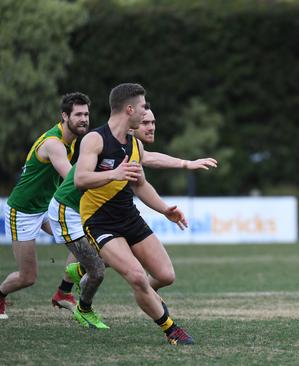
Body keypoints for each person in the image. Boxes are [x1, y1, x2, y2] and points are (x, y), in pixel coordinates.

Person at [49, 105, 217, 329]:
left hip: (102, 212)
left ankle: (86, 272)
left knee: (137, 267)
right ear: (131, 120)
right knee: (98, 269)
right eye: (146, 122)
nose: (151, 127)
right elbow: (86, 179)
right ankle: (78, 297)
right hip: (69, 208)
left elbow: (147, 163)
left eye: (153, 123)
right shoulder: (105, 140)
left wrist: (185, 164)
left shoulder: (131, 145)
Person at [74, 83, 193, 345]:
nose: (146, 112)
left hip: (129, 217)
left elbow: (140, 185)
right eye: (142, 107)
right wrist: (114, 174)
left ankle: (144, 295)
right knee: (138, 277)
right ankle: (171, 329)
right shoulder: (95, 139)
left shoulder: (133, 144)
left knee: (165, 276)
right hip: (99, 221)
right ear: (129, 109)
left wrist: (165, 210)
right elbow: (80, 179)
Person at [0, 92, 91, 319]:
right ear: (64, 116)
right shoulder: (54, 143)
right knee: (27, 277)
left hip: (46, 208)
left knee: (86, 240)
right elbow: (72, 179)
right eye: (78, 114)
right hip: (22, 211)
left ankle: (63, 292)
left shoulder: (73, 139)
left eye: (87, 114)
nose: (84, 119)